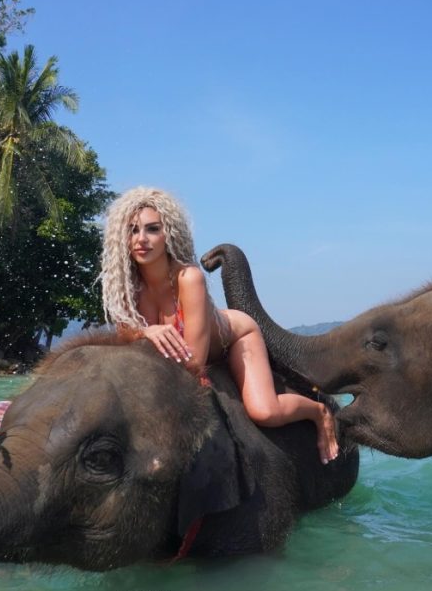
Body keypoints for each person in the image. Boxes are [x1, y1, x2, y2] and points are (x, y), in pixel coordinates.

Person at [99, 186, 338, 465]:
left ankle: (318, 412)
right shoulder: (126, 285)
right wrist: (146, 331)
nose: (141, 239)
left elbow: (194, 361)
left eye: (152, 229)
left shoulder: (189, 278)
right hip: (192, 343)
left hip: (235, 337)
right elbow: (125, 337)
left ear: (169, 234)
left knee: (264, 411)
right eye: (132, 230)